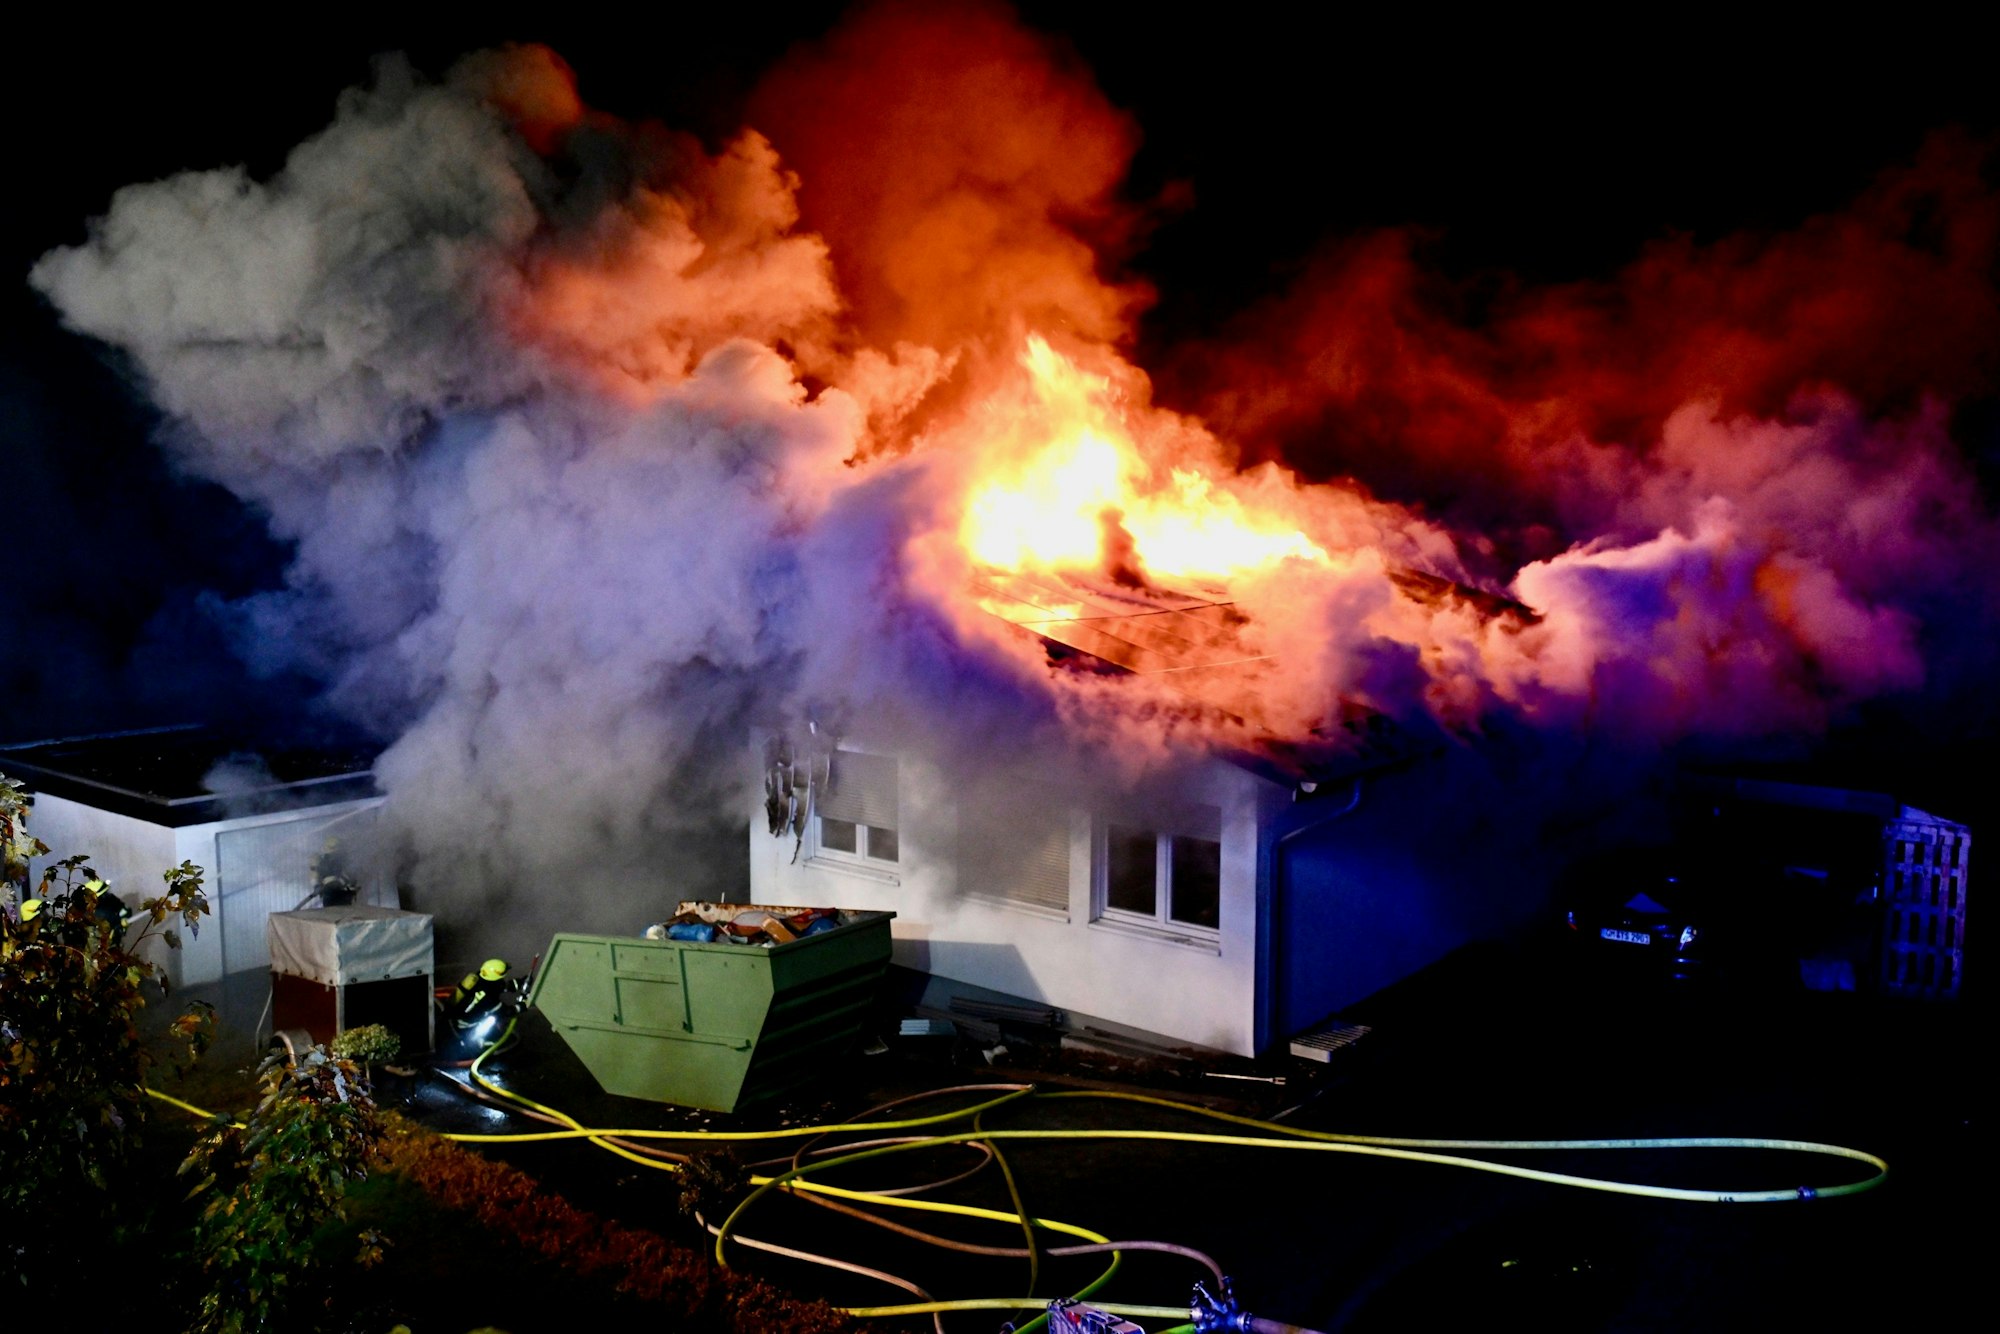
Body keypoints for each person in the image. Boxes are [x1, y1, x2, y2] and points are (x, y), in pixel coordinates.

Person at [443, 958, 513, 1037]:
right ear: (496, 976)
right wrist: (519, 1007)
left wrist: (520, 983)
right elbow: (503, 1010)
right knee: (494, 1028)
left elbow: (500, 986)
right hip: (468, 1025)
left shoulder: (480, 979)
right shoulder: (488, 995)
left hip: (457, 1018)